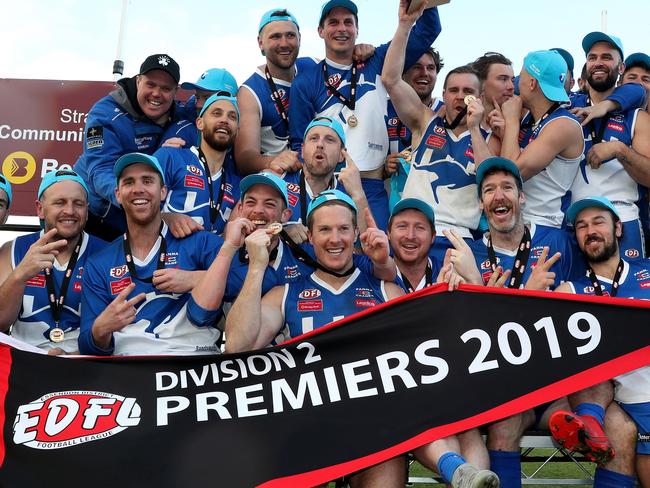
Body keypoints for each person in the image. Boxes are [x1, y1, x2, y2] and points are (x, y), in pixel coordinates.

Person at [289, 0, 442, 230]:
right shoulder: (306, 81)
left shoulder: (378, 60)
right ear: (321, 31)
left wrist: (414, 11)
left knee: (377, 254)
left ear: (357, 30)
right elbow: (300, 142)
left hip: (372, 186)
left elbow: (429, 29)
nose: (341, 28)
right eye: (333, 22)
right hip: (330, 185)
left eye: (348, 22)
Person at [78, 152, 229, 356]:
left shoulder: (199, 241)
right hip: (130, 371)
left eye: (147, 181)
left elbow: (251, 278)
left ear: (163, 192)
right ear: (118, 194)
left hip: (193, 366)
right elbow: (87, 345)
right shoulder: (99, 263)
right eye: (129, 182)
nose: (138, 189)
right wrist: (101, 328)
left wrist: (196, 278)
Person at [382, 3, 498, 260]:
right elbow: (390, 79)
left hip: (460, 240)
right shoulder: (424, 121)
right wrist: (404, 25)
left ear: (479, 97)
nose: (460, 97)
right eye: (453, 90)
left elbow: (490, 177)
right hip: (414, 233)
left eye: (467, 92)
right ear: (443, 94)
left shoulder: (490, 136)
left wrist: (475, 129)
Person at [551, 196, 647, 488]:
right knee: (616, 426)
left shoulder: (647, 270)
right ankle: (588, 422)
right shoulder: (569, 290)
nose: (590, 230)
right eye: (581, 226)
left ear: (618, 228)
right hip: (616, 396)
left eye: (598, 222)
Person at [74, 54, 191, 241]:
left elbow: (209, 106)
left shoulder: (182, 114)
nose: (156, 94)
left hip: (141, 216)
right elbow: (100, 170)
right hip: (96, 215)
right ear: (138, 81)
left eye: (165, 88)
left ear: (176, 91)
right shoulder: (104, 113)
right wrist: (136, 198)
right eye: (150, 85)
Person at [0, 170, 104, 354]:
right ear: (40, 209)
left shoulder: (107, 252)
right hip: (23, 361)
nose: (70, 211)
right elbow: (1, 322)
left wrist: (72, 357)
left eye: (78, 204)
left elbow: (118, 328)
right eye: (60, 202)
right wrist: (19, 276)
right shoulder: (13, 249)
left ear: (87, 211)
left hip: (85, 363)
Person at [569, 33, 650, 259]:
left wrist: (620, 150)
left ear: (621, 67)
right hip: (574, 220)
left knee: (629, 292)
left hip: (623, 219)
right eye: (592, 57)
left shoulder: (636, 116)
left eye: (607, 57)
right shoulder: (568, 106)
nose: (598, 62)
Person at [499, 50, 584, 230]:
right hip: (523, 225)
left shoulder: (562, 125)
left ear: (532, 83)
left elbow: (511, 174)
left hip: (546, 227)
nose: (515, 83)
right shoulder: (532, 119)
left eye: (520, 76)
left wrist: (512, 120)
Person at [470, 157, 577, 290]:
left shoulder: (558, 241)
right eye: (489, 190)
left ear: (521, 197)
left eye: (507, 187)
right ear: (481, 202)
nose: (499, 196)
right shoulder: (472, 256)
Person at [155, 92, 242, 237]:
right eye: (216, 113)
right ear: (199, 123)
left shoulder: (238, 185)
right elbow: (135, 206)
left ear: (237, 131)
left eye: (232, 117)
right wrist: (167, 218)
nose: (224, 120)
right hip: (165, 256)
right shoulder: (170, 156)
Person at [385, 47, 445, 208]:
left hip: (435, 201)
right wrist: (384, 167)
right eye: (417, 67)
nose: (425, 73)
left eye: (431, 68)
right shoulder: (382, 108)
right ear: (403, 73)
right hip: (390, 199)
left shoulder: (447, 112)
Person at [164, 68, 239, 147]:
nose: (198, 105)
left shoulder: (243, 134)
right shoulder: (180, 134)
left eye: (207, 98)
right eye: (197, 97)